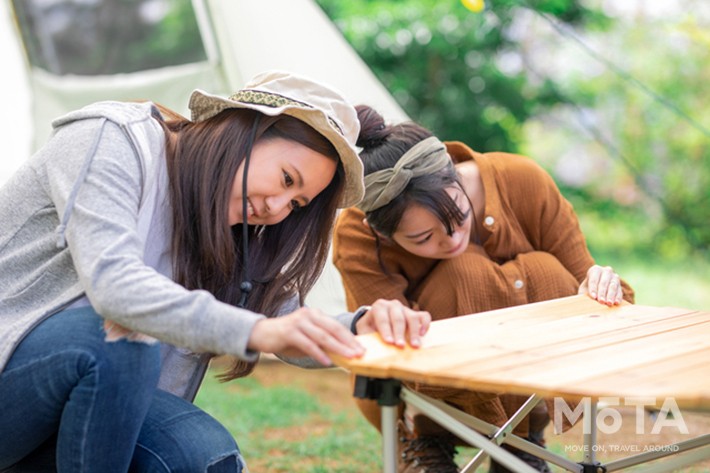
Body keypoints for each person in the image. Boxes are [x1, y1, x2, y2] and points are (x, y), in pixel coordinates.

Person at [0, 71, 431, 473]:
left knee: (203, 456)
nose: (278, 210)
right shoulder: (113, 138)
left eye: (296, 204)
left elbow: (279, 319)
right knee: (117, 337)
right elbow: (115, 286)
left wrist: (360, 326)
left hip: (89, 412)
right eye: (285, 179)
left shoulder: (232, 226)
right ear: (243, 127)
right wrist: (255, 332)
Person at [332, 105, 635, 473]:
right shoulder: (356, 233)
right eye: (423, 237)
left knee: (545, 270)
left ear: (456, 176)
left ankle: (524, 435)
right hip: (425, 393)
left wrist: (600, 285)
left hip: (531, 386)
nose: (451, 238)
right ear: (382, 233)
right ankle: (423, 440)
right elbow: (381, 354)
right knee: (465, 271)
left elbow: (600, 297)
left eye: (459, 214)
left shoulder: (523, 180)